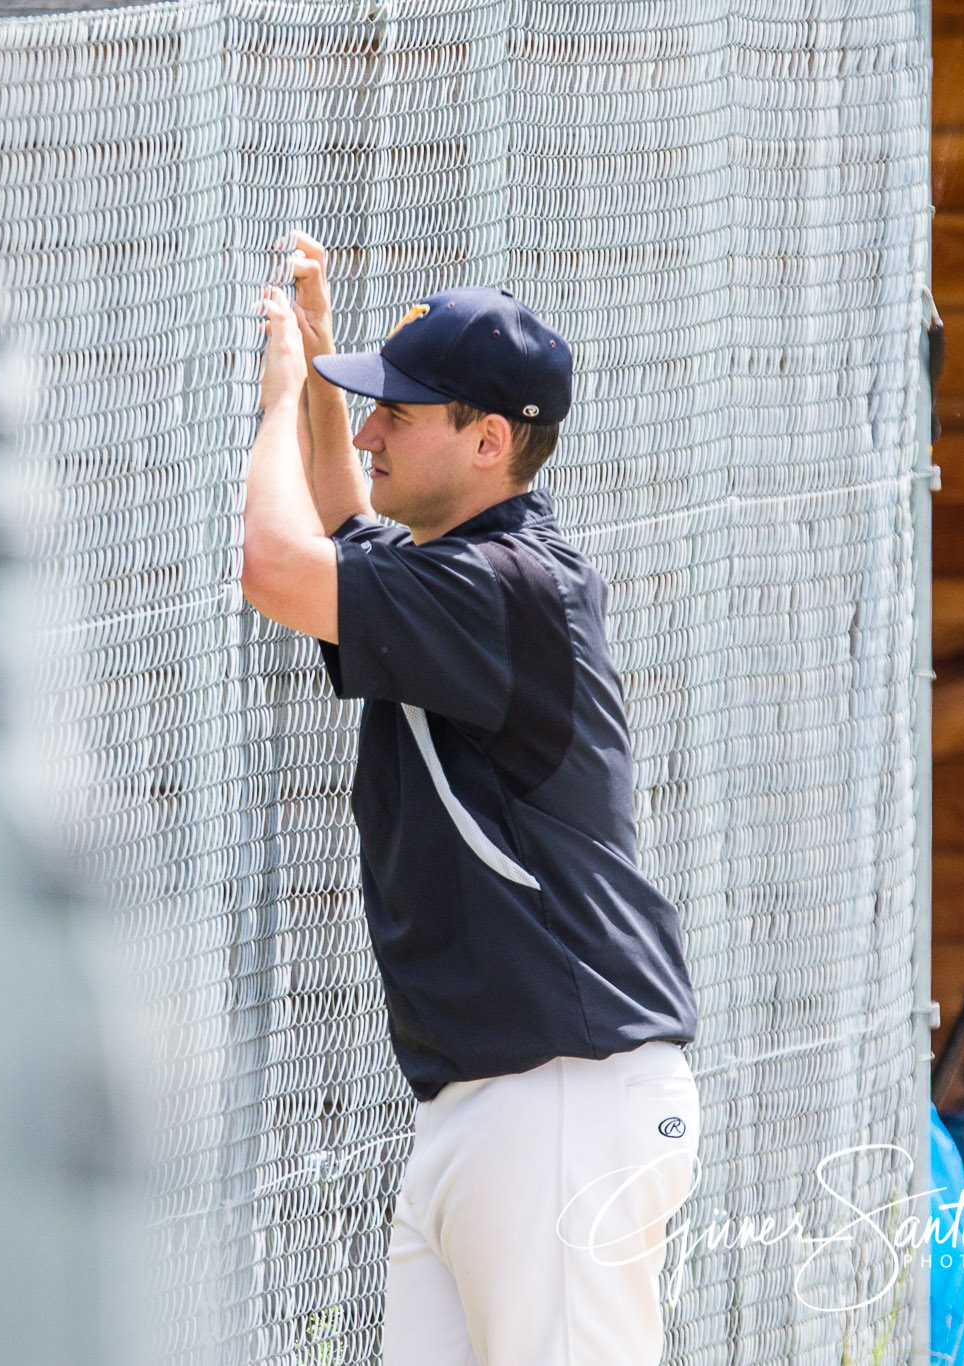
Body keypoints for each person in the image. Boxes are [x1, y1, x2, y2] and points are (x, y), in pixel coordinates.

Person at [239, 233, 703, 1366]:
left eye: (400, 413)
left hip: (559, 1102)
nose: (366, 430)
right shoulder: (466, 572)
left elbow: (274, 563)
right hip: (495, 1108)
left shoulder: (499, 586)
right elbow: (346, 535)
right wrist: (317, 366)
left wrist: (281, 391)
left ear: (490, 441)